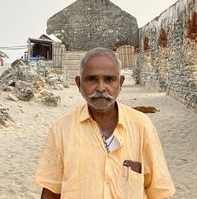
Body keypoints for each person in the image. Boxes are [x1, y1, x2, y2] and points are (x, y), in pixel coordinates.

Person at [34, 47, 175, 199]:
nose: (101, 88)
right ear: (79, 83)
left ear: (120, 83)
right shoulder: (61, 130)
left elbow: (158, 191)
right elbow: (51, 191)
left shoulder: (142, 126)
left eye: (109, 79)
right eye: (92, 79)